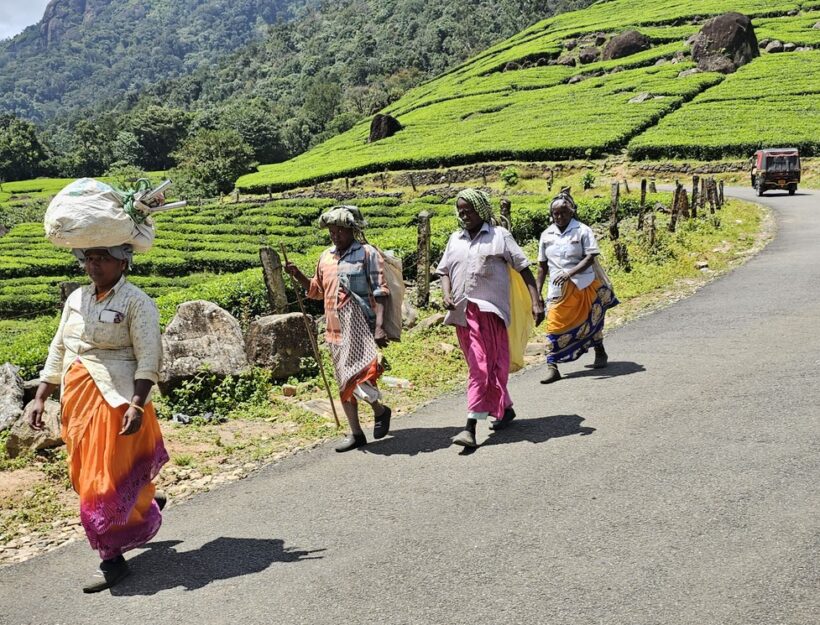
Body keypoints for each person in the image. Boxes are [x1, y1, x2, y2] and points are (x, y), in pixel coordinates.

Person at [30, 245, 168, 593]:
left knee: (100, 483)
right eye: (89, 258)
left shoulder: (137, 301)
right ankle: (142, 502)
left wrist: (136, 405)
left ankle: (111, 559)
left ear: (123, 262)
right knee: (84, 475)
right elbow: (59, 346)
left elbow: (149, 355)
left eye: (103, 258)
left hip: (118, 402)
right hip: (78, 401)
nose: (94, 265)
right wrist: (41, 394)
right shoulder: (76, 298)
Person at [436, 188, 544, 448]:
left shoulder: (499, 236)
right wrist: (446, 293)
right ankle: (504, 409)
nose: (465, 216)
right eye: (461, 211)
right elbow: (444, 271)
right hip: (462, 314)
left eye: (469, 210)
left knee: (484, 366)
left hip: (491, 312)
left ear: (481, 210)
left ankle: (470, 427)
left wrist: (536, 301)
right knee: (481, 365)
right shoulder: (455, 239)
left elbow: (523, 267)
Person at [284, 206, 392, 452]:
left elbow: (381, 290)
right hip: (334, 328)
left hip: (359, 327)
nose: (335, 236)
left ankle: (379, 409)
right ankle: (356, 433)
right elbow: (317, 291)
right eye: (331, 232)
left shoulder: (367, 253)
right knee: (343, 382)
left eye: (339, 231)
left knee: (361, 375)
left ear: (351, 230)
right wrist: (298, 275)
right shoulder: (325, 257)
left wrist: (380, 326)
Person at [536, 191, 619, 383]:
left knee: (591, 319)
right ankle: (552, 366)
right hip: (558, 290)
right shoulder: (546, 235)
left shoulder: (582, 230)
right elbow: (542, 266)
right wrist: (537, 294)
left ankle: (599, 349)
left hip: (583, 284)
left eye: (564, 212)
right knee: (553, 325)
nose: (560, 216)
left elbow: (591, 257)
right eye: (556, 213)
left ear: (572, 211)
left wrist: (570, 273)